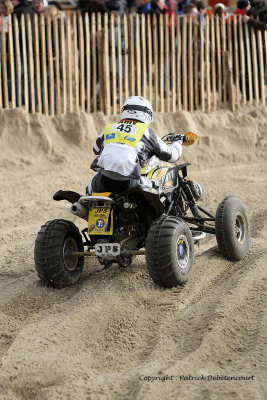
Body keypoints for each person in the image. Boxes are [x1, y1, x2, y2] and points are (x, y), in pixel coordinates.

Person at [87, 96, 184, 195]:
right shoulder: (146, 132)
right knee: (160, 188)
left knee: (92, 183)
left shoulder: (109, 128)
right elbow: (172, 156)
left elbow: (95, 149)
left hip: (103, 180)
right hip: (129, 183)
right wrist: (178, 142)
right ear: (147, 114)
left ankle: (84, 202)